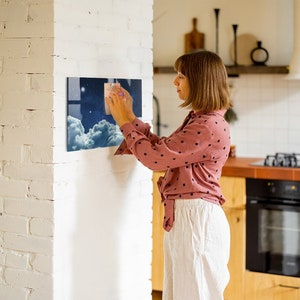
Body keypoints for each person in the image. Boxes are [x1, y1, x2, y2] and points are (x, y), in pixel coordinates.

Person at [105, 50, 231, 300]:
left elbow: (155, 159)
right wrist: (129, 117)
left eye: (181, 76)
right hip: (190, 218)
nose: (175, 82)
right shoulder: (200, 119)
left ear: (199, 81)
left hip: (196, 221)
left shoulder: (207, 125)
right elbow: (164, 150)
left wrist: (124, 122)